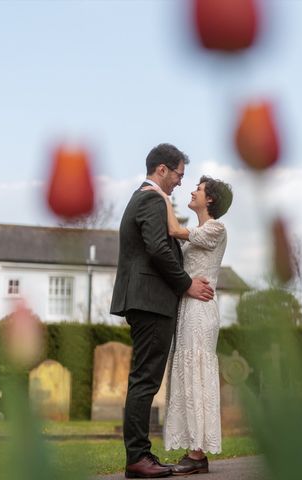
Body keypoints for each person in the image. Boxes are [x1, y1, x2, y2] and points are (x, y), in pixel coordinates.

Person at [110, 143, 214, 479]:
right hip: (150, 301)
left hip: (147, 299)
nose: (181, 183)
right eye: (179, 175)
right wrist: (186, 284)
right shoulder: (152, 199)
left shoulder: (149, 198)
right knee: (144, 380)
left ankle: (141, 455)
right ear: (162, 170)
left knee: (144, 379)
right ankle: (138, 458)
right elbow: (156, 248)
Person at [142, 175, 232, 476]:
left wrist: (163, 197)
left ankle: (197, 453)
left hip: (201, 309)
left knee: (197, 372)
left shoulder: (216, 228)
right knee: (185, 373)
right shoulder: (201, 229)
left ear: (210, 200)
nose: (192, 190)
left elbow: (174, 229)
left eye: (199, 189)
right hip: (187, 307)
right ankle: (194, 450)